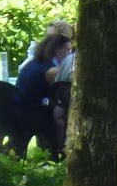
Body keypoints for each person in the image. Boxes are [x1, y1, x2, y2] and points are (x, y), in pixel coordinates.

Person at [6, 24, 73, 158]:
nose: (69, 53)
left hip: (14, 111)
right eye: (68, 50)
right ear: (58, 50)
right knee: (60, 116)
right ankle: (58, 152)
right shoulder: (51, 70)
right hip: (29, 115)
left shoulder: (34, 63)